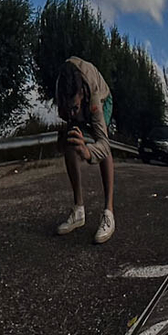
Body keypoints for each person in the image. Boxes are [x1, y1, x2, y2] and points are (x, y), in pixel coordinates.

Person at [53, 55, 115, 244]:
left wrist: (89, 153)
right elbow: (68, 113)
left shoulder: (92, 94)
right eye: (68, 108)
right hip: (78, 95)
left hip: (103, 99)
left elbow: (103, 143)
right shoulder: (62, 89)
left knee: (102, 146)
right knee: (71, 142)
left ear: (81, 93)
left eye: (75, 108)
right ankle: (78, 210)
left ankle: (109, 212)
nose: (72, 113)